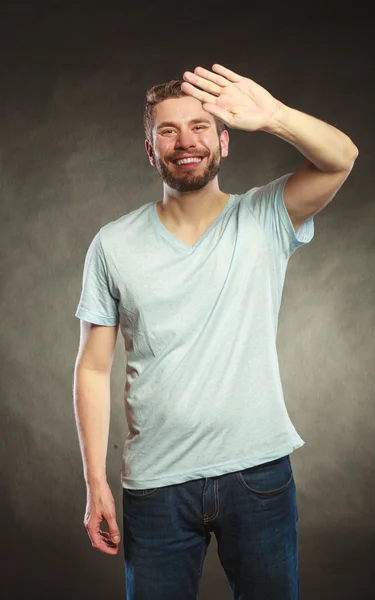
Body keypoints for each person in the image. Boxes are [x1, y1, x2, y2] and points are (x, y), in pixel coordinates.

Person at [73, 64, 358, 600]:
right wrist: (94, 481)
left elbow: (341, 156)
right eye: (168, 131)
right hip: (156, 486)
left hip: (258, 475)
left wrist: (272, 116)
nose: (186, 142)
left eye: (200, 127)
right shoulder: (111, 245)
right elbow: (92, 366)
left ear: (224, 141)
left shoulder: (266, 215)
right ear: (150, 150)